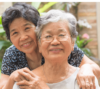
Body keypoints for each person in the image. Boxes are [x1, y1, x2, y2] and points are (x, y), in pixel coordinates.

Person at [0, 2, 100, 89]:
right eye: (15, 33)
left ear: (38, 28)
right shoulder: (12, 54)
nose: (23, 37)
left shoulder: (59, 47)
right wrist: (12, 77)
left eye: (27, 28)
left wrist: (86, 68)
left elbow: (95, 69)